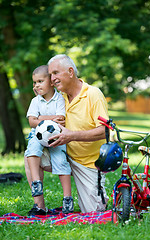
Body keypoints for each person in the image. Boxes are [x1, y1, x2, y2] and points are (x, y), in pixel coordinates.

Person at [25, 55, 109, 213]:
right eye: (50, 75)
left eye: (56, 73)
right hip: (62, 154)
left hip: (87, 163)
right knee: (31, 154)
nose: (53, 78)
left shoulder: (93, 94)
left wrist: (71, 135)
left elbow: (105, 130)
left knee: (93, 211)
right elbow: (35, 116)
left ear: (71, 72)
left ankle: (98, 193)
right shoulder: (58, 96)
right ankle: (39, 206)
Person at [24, 65, 73, 215]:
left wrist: (40, 118)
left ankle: (67, 199)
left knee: (61, 162)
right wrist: (49, 118)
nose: (36, 85)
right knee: (31, 150)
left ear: (51, 82)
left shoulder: (59, 99)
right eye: (34, 82)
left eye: (40, 81)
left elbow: (61, 120)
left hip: (56, 137)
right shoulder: (35, 101)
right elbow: (32, 122)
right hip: (37, 137)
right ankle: (36, 183)